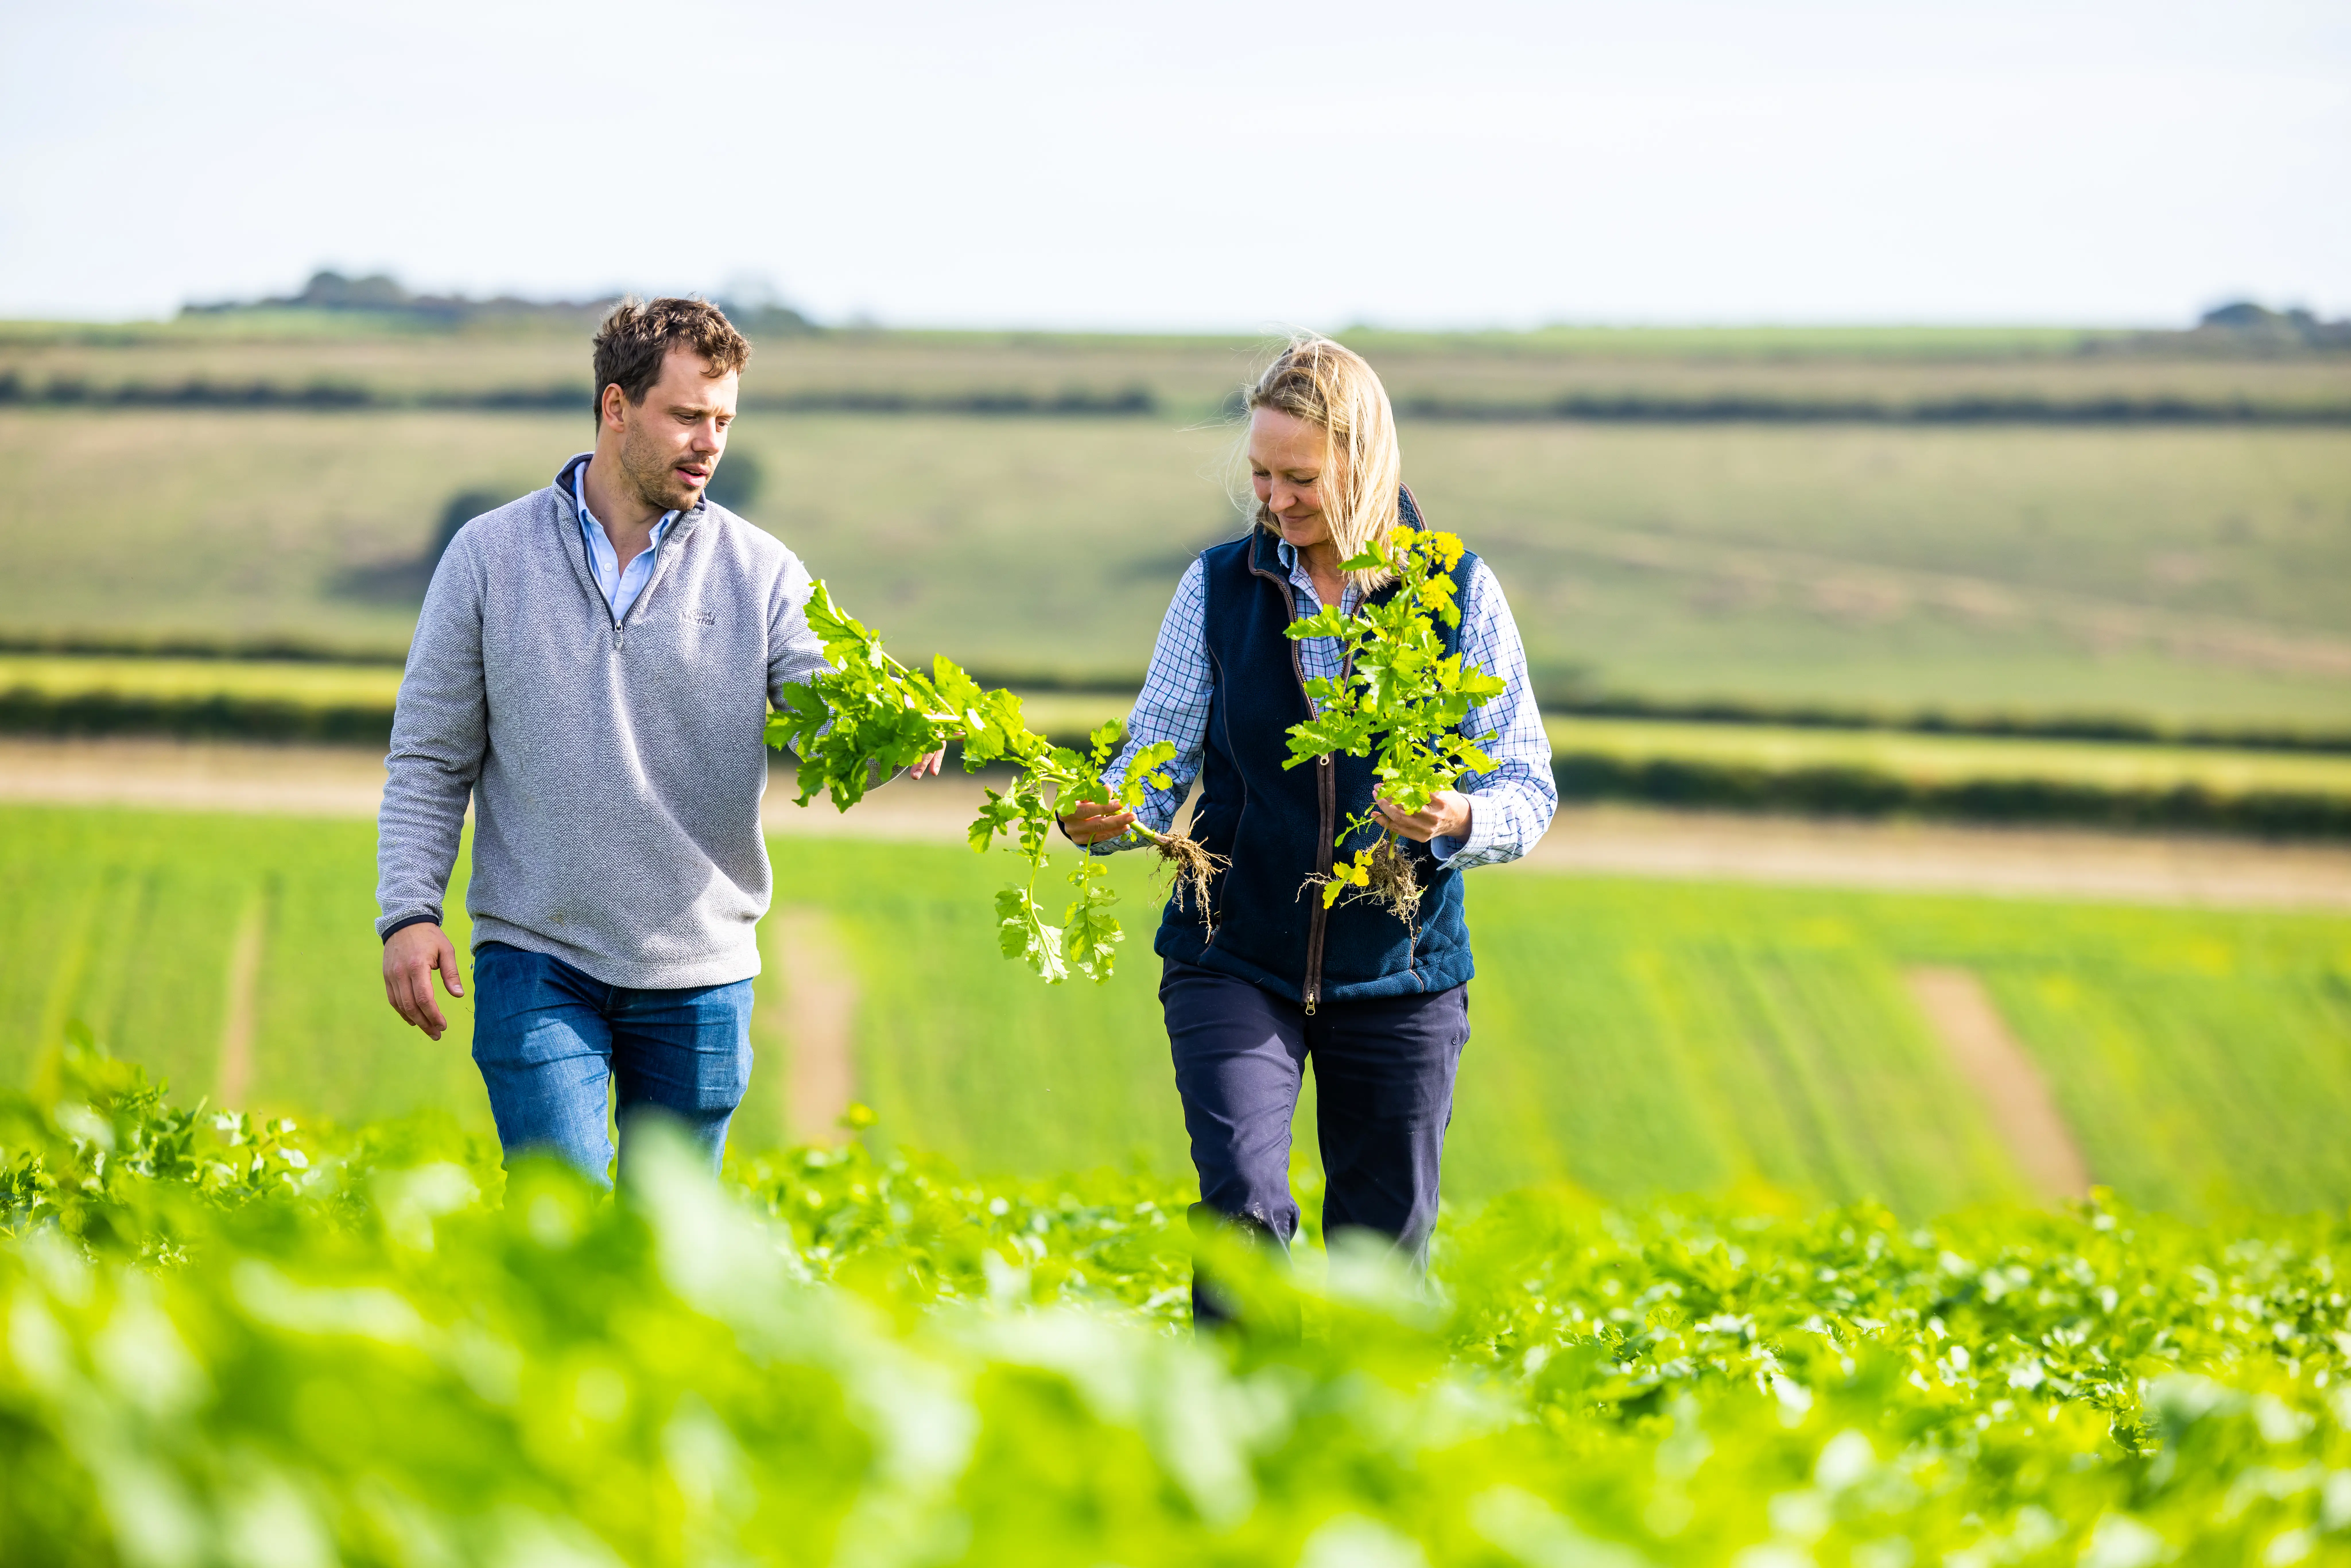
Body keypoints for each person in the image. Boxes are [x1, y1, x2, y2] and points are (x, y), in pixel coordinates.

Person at [374, 297, 935, 1183]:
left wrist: (884, 724)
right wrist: (410, 911)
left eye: (723, 421)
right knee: (563, 1215)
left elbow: (822, 687)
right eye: (685, 416)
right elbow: (430, 757)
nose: (709, 443)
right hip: (537, 953)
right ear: (615, 407)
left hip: (701, 970)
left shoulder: (762, 571)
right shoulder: (488, 557)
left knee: (665, 1250)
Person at [1059, 338, 1556, 1320]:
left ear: (1365, 468)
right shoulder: (1218, 587)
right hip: (1234, 949)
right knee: (1242, 1209)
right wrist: (1111, 817)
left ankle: (1360, 1451)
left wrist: (1457, 819)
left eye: (1300, 478)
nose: (1275, 501)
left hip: (1401, 968)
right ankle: (1235, 1439)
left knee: (1384, 1251)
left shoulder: (1459, 593)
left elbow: (1526, 788)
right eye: (1259, 476)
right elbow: (1155, 757)